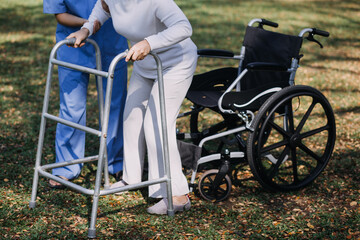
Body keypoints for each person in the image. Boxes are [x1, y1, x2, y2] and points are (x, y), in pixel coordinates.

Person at [67, 0, 197, 214]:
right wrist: (86, 29)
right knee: (132, 119)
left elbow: (184, 27)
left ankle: (178, 194)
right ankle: (130, 179)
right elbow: (102, 10)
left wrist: (149, 42)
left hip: (175, 63)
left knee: (157, 124)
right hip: (145, 64)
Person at [43, 0, 128, 188]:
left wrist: (97, 22)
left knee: (115, 106)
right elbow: (60, 14)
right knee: (72, 107)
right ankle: (66, 167)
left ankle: (117, 163)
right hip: (73, 45)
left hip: (112, 43)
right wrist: (90, 23)